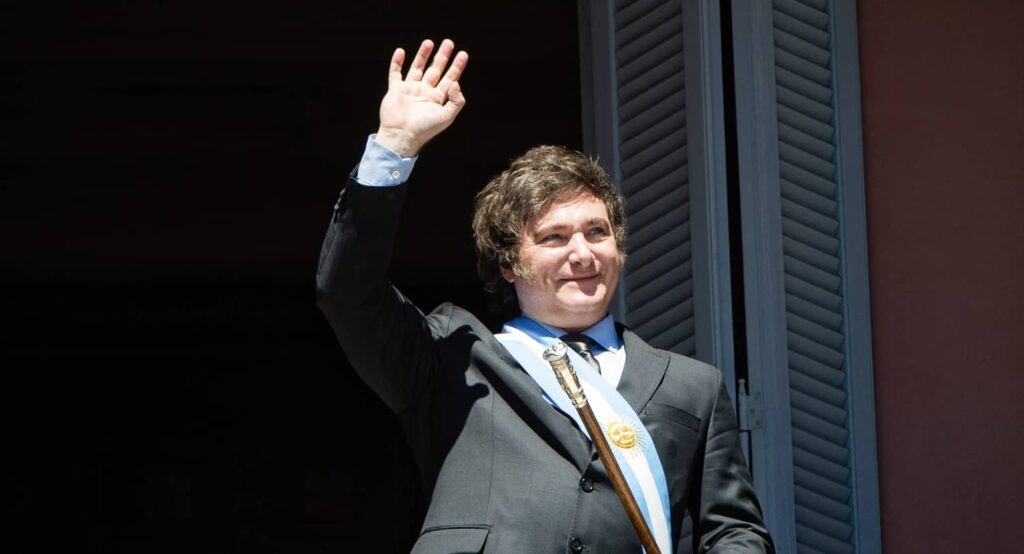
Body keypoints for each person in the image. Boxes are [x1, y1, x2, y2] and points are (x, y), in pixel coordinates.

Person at [316, 38, 773, 553]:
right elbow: (348, 291)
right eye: (555, 238)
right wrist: (394, 145)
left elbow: (735, 532)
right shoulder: (451, 357)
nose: (583, 254)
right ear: (510, 263)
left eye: (597, 233)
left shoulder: (694, 388)